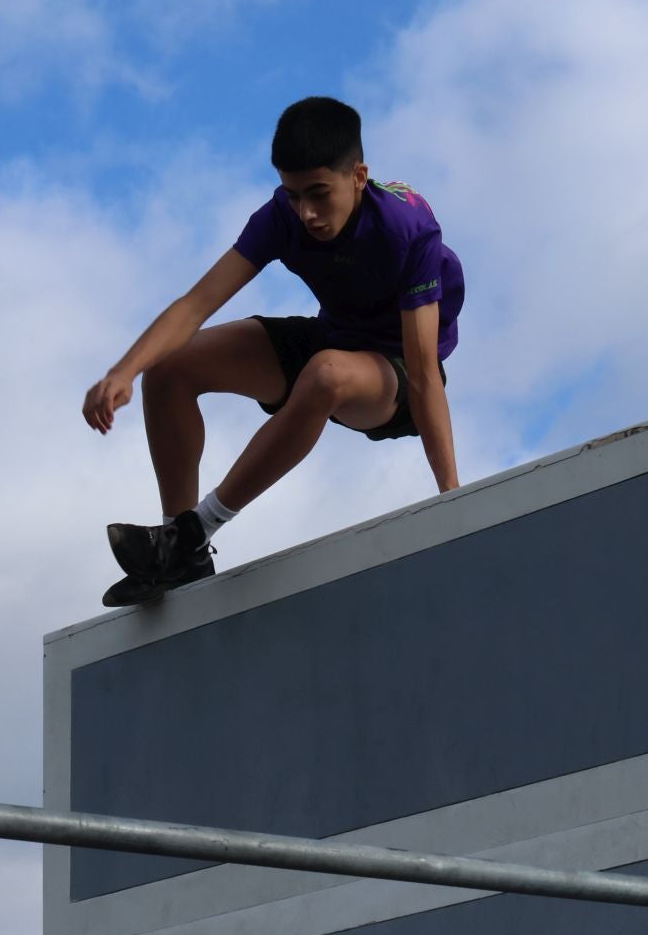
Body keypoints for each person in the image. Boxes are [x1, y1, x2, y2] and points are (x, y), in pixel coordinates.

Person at [81, 97, 463, 606]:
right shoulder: (283, 216)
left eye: (319, 195)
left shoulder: (407, 230)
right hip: (334, 337)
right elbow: (197, 304)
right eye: (293, 194)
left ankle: (199, 529)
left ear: (359, 176)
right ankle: (177, 552)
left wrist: (457, 504)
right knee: (169, 366)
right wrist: (123, 370)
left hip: (392, 377)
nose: (306, 213)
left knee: (326, 374)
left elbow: (422, 376)